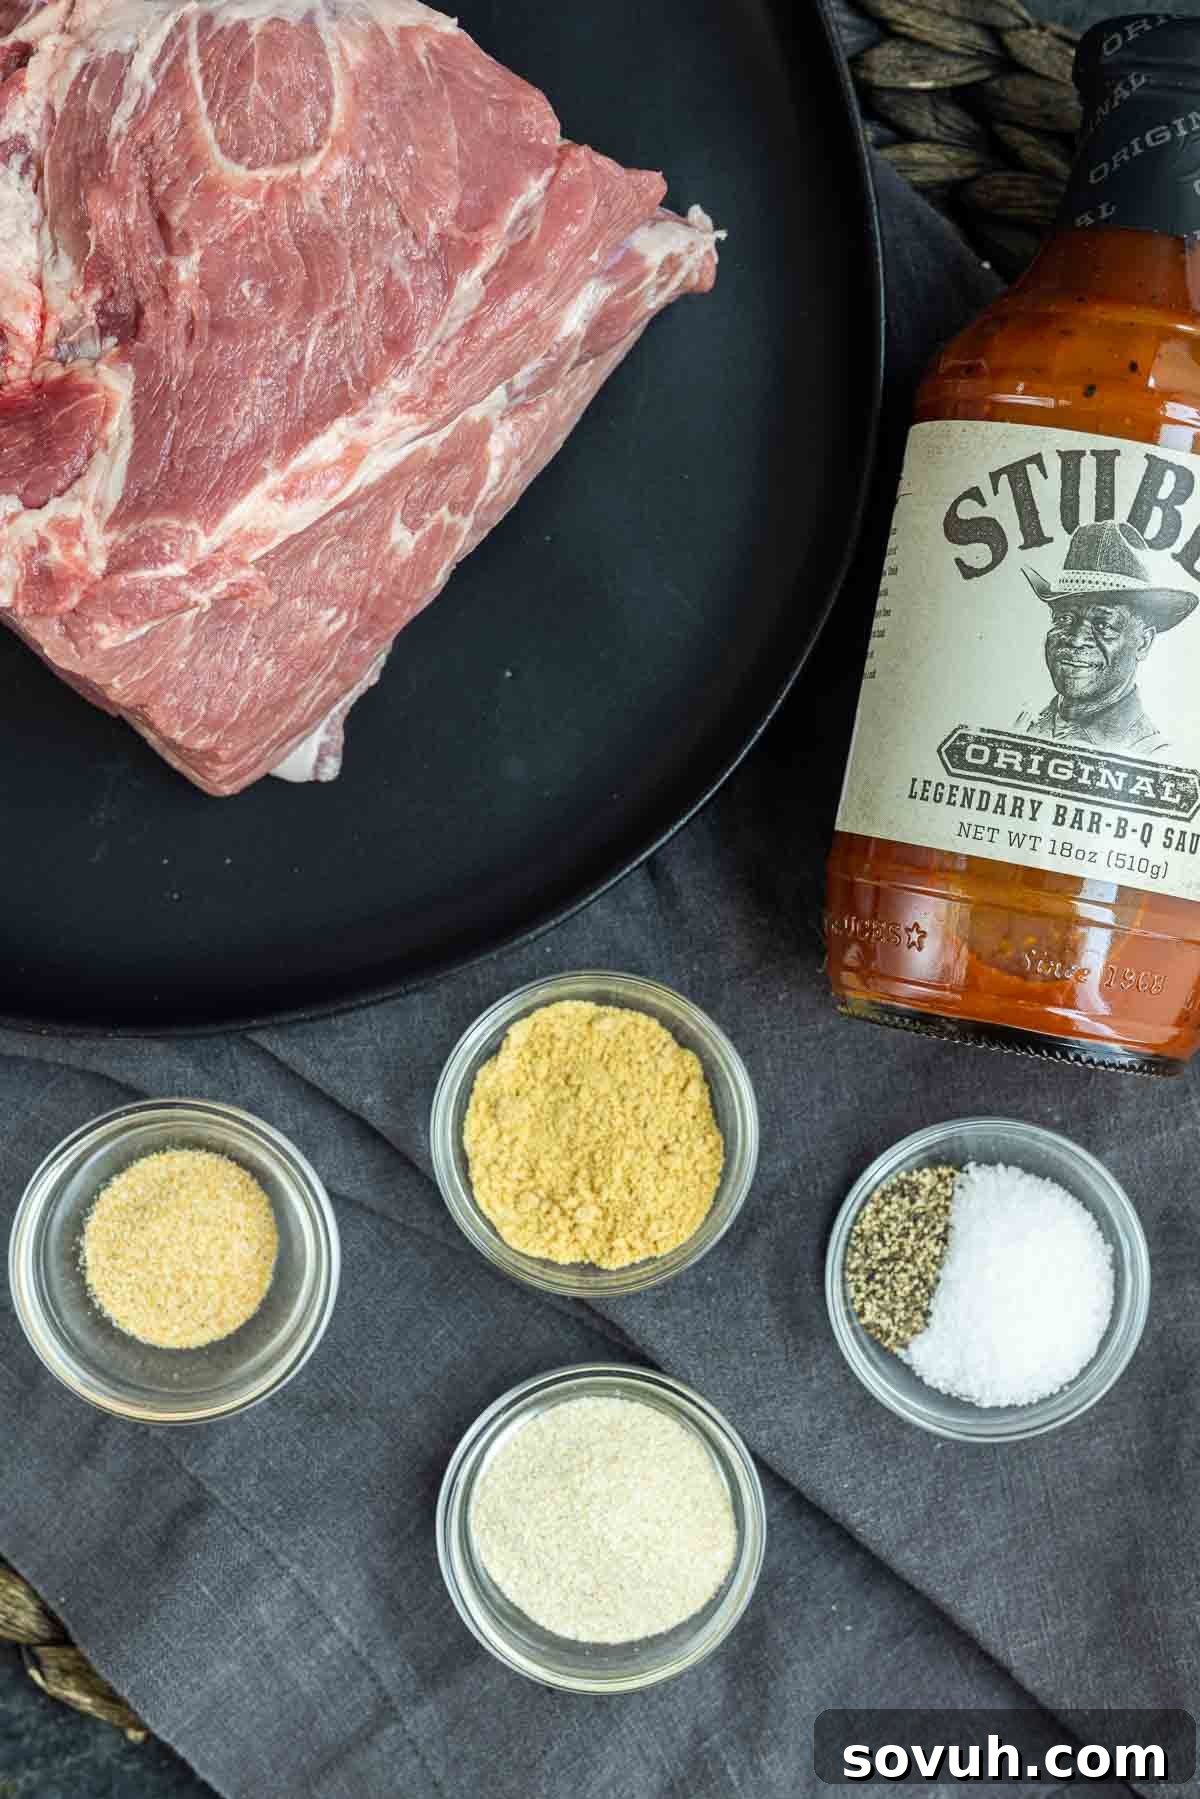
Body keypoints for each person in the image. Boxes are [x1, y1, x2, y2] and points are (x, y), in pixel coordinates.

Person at [1015, 520, 1197, 757]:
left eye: (1103, 625)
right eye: (1064, 619)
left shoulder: (1154, 757)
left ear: (1143, 642)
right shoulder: (1025, 726)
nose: (1077, 639)